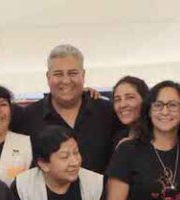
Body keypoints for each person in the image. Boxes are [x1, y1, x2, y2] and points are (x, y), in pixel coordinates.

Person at [22, 44, 121, 173]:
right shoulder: (28, 117)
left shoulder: (108, 112)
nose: (66, 80)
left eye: (73, 73)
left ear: (83, 75)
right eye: (58, 74)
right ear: (48, 77)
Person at [112, 76, 149, 145]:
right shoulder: (119, 136)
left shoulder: (157, 137)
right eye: (117, 99)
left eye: (130, 98)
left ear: (145, 100)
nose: (122, 105)